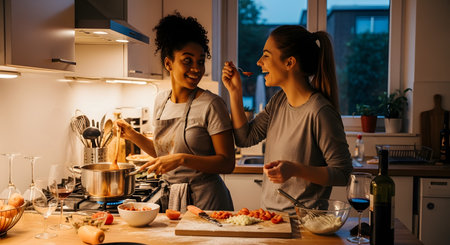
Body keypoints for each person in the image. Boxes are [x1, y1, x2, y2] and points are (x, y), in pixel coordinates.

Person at [222, 25, 353, 212]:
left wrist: (295, 169)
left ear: (289, 63)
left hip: (304, 227)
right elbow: (245, 138)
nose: (259, 62)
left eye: (266, 55)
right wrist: (235, 92)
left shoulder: (319, 111)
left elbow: (343, 173)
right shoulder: (278, 101)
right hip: (270, 219)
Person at [116, 12, 235, 211]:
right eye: (187, 61)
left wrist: (182, 158)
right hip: (173, 199)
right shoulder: (161, 101)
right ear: (168, 63)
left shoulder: (212, 104)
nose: (196, 68)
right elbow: (164, 155)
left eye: (200, 61)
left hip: (208, 202)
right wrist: (133, 135)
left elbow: (227, 163)